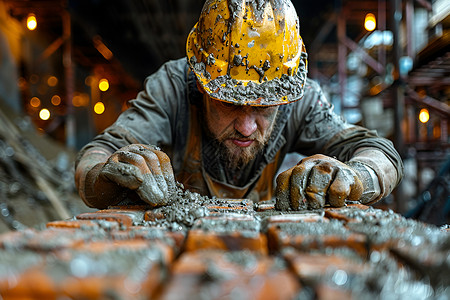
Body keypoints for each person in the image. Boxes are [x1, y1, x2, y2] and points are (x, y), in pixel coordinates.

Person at [75, 0, 403, 210]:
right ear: (201, 84)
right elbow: (95, 157)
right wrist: (110, 175)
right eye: (228, 104)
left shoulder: (301, 99)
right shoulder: (173, 87)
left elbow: (380, 152)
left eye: (264, 107)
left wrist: (356, 177)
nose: (247, 127)